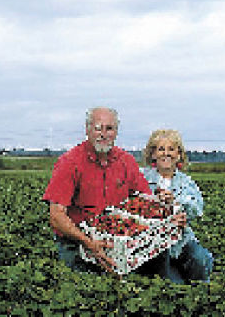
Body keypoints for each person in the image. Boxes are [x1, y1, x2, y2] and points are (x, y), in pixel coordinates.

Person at [42, 107, 151, 274]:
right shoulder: (70, 162)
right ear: (87, 129)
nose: (103, 134)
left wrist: (166, 206)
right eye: (98, 128)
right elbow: (56, 216)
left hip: (118, 238)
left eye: (109, 128)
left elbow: (146, 201)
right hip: (77, 241)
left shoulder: (126, 161)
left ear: (116, 132)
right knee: (84, 287)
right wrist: (87, 242)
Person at [138, 129, 213, 283]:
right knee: (170, 282)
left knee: (201, 258)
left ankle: (201, 290)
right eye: (161, 149)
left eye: (171, 149)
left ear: (178, 155)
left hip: (181, 239)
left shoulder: (186, 182)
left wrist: (176, 204)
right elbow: (132, 201)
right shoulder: (141, 177)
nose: (166, 154)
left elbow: (196, 207)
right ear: (152, 154)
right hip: (151, 242)